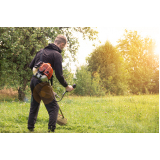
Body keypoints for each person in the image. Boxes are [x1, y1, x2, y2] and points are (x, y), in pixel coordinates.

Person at [28, 35, 74, 132]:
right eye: (63, 47)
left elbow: (31, 66)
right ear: (62, 44)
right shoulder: (57, 55)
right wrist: (67, 86)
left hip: (33, 81)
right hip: (42, 83)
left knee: (34, 105)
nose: (62, 49)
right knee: (54, 107)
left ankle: (30, 128)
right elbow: (59, 75)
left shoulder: (40, 52)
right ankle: (51, 130)